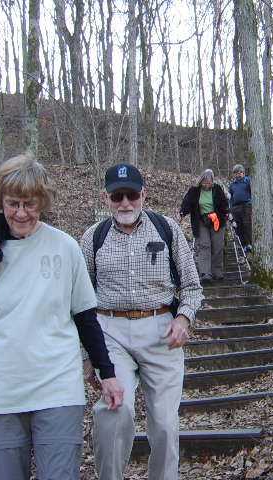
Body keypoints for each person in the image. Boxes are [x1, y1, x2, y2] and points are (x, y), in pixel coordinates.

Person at [0, 154, 123, 480]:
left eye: (30, 204)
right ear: (1, 201)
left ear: (42, 201)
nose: (21, 213)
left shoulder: (65, 247)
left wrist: (106, 373)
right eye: (13, 204)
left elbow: (85, 316)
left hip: (57, 388)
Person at [80, 163, 203, 480]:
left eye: (131, 195)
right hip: (109, 333)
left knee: (164, 422)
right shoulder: (93, 238)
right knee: (114, 411)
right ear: (107, 198)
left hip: (161, 331)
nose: (125, 203)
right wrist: (87, 356)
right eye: (117, 196)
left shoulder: (167, 229)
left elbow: (191, 286)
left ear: (143, 195)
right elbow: (78, 303)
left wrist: (183, 318)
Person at [179, 169, 229, 284]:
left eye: (209, 182)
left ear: (212, 181)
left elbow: (224, 203)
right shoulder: (194, 190)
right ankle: (205, 273)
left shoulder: (217, 189)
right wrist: (183, 212)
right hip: (201, 220)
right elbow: (187, 202)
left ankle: (217, 272)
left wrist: (227, 212)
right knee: (204, 245)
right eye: (204, 182)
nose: (207, 185)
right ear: (201, 181)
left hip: (217, 220)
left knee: (218, 246)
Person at [228, 164, 252, 253]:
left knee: (247, 225)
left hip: (246, 205)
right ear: (234, 174)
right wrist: (230, 209)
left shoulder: (248, 181)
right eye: (236, 173)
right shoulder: (232, 185)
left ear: (243, 173)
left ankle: (249, 243)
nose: (239, 174)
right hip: (235, 208)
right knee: (238, 227)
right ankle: (244, 245)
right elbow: (230, 198)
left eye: (240, 172)